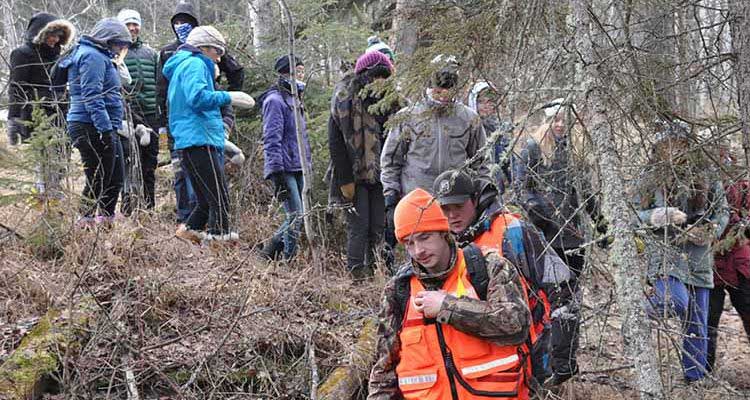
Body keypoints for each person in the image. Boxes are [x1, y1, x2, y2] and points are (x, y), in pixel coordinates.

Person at [367, 188, 531, 399]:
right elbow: (384, 372)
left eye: (425, 238)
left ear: (444, 232)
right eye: (409, 243)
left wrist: (448, 307)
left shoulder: (487, 268)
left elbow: (516, 324)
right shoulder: (398, 291)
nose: (419, 251)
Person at [433, 169, 580, 388]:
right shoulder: (437, 244)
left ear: (474, 200)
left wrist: (562, 351)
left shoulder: (512, 231)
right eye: (445, 209)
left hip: (527, 354)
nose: (452, 215)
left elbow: (561, 285)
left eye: (458, 206)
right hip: (472, 363)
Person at [636, 121, 728, 383]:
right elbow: (630, 214)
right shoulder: (649, 176)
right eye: (667, 144)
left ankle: (693, 379)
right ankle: (635, 315)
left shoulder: (706, 173)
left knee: (697, 325)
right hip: (666, 253)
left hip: (698, 256)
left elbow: (722, 212)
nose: (673, 149)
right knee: (675, 300)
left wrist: (710, 231)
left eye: (679, 143)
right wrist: (655, 216)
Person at [380, 54, 489, 269]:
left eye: (448, 88)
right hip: (418, 200)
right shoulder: (409, 117)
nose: (442, 94)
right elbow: (390, 161)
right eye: (439, 87)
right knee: (420, 256)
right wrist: (391, 196)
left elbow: (481, 161)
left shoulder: (468, 118)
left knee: (456, 255)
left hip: (454, 202)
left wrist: (483, 193)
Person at [162, 26, 255, 242]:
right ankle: (219, 245)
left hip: (193, 139)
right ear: (203, 47)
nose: (220, 58)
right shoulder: (195, 64)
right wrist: (229, 97)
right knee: (220, 198)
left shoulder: (184, 65)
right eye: (218, 51)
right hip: (199, 139)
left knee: (205, 199)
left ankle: (187, 233)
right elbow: (198, 98)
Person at [328, 51, 398, 279]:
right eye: (376, 76)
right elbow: (336, 142)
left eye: (383, 77)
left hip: (381, 175)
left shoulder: (391, 102)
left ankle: (377, 272)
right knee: (358, 227)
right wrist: (344, 180)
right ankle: (357, 275)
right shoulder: (344, 98)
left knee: (379, 226)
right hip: (353, 175)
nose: (379, 82)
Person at [61, 18, 131, 225]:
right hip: (89, 124)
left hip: (100, 124)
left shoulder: (98, 55)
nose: (121, 48)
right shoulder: (92, 57)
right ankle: (85, 222)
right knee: (98, 175)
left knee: (115, 175)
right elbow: (92, 95)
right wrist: (105, 129)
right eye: (119, 43)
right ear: (107, 39)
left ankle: (105, 220)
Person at [8, 13, 75, 198]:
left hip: (61, 113)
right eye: (50, 34)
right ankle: (46, 199)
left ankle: (54, 194)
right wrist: (14, 119)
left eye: (59, 35)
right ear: (39, 33)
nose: (54, 39)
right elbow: (17, 88)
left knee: (62, 158)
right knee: (45, 162)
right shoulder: (22, 54)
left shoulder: (58, 55)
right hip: (37, 115)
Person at [256, 55, 311, 260]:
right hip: (283, 168)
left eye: (303, 71)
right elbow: (271, 138)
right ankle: (289, 259)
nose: (302, 76)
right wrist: (276, 172)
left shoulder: (295, 100)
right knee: (295, 216)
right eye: (298, 71)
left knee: (298, 216)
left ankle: (268, 253)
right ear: (285, 73)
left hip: (298, 167)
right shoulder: (275, 101)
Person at [707, 143, 750, 372]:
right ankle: (703, 372)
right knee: (707, 323)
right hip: (709, 265)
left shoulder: (742, 188)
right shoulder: (701, 187)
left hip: (741, 264)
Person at [116, 9, 162, 212]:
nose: (133, 28)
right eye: (128, 24)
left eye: (135, 24)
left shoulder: (151, 54)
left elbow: (160, 85)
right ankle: (128, 210)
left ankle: (149, 208)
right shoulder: (116, 52)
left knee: (149, 164)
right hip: (127, 115)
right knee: (128, 162)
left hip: (151, 115)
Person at [467, 81, 513, 193]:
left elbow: (507, 162)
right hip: (474, 188)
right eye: (481, 102)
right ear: (473, 103)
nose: (486, 106)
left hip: (495, 191)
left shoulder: (499, 128)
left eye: (490, 101)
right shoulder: (467, 127)